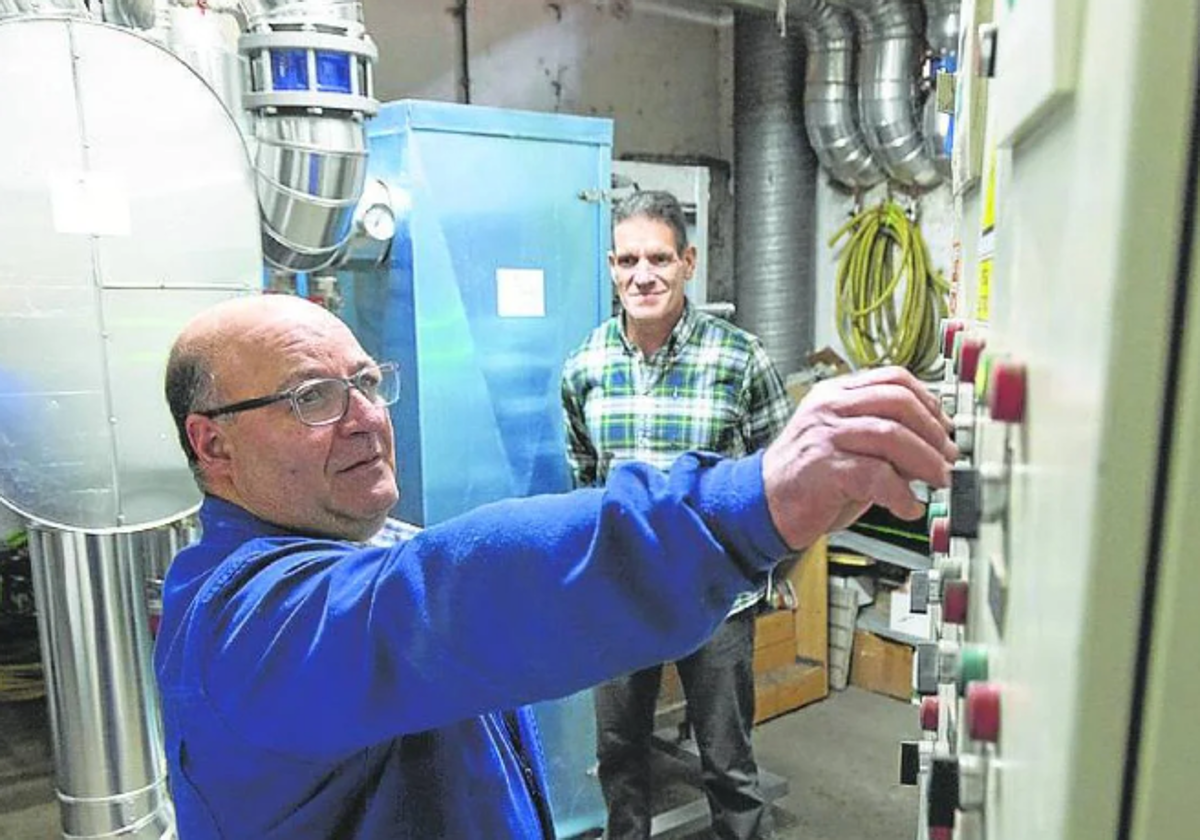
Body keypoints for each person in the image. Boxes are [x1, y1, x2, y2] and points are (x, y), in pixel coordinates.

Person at [155, 293, 955, 840]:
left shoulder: (356, 538)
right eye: (311, 398)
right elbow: (453, 596)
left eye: (367, 382)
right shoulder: (243, 625)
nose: (365, 417)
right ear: (213, 443)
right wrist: (746, 504)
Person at [561, 190, 791, 839]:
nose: (643, 275)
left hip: (715, 597)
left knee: (728, 764)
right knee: (619, 756)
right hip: (621, 595)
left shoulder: (741, 359)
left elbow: (784, 478)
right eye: (628, 259)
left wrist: (765, 572)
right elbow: (584, 479)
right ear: (610, 265)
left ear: (688, 261)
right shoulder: (585, 367)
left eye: (659, 258)